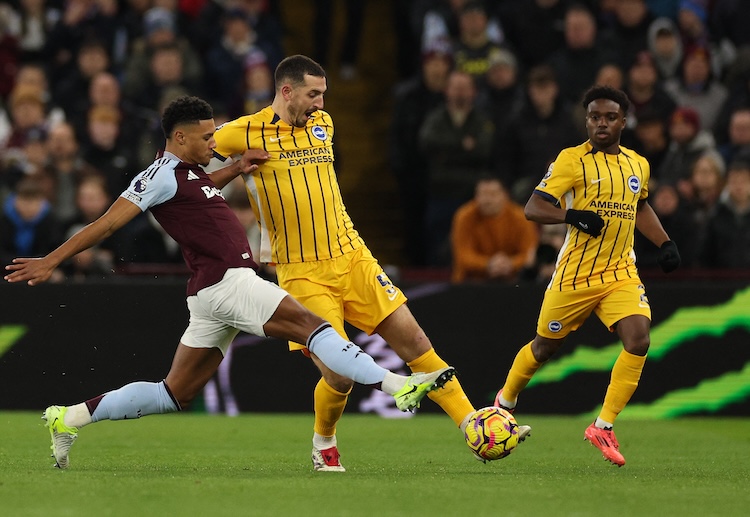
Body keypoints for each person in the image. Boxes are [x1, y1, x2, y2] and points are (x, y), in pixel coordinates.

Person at [3, 95, 456, 470]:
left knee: (172, 393)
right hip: (229, 281)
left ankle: (68, 418)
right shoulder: (159, 174)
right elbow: (106, 224)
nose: (212, 143)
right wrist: (52, 260)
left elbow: (199, 194)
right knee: (312, 326)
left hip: (210, 294)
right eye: (205, 138)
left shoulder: (187, 175)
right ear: (178, 138)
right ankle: (398, 386)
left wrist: (236, 168)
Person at [211, 55, 514, 472]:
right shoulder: (239, 132)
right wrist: (232, 169)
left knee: (416, 342)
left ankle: (472, 425)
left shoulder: (324, 124)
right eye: (313, 93)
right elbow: (185, 174)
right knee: (339, 376)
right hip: (301, 271)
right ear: (286, 91)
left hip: (353, 256)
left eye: (324, 94)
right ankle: (324, 441)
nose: (321, 102)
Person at [493, 86, 681, 467]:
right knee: (544, 347)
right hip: (575, 276)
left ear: (623, 122)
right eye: (595, 117)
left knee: (639, 339)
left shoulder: (637, 165)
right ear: (587, 120)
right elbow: (533, 207)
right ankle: (504, 402)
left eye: (610, 117)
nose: (601, 123)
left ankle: (603, 425)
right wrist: (570, 216)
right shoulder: (571, 160)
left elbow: (640, 206)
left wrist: (664, 242)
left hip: (620, 272)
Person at [450, 176, 538, 283]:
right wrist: (488, 264)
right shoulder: (464, 216)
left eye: (493, 194)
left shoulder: (521, 217)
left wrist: (510, 264)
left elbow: (530, 254)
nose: (487, 200)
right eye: (482, 194)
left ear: (505, 195)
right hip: (472, 283)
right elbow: (462, 255)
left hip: (513, 281)